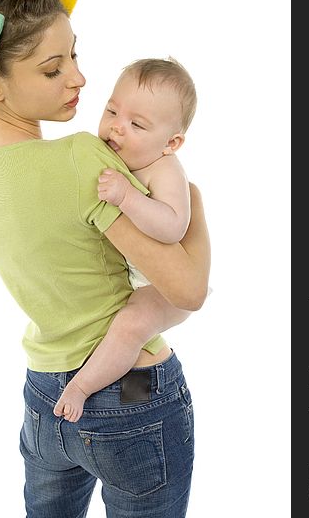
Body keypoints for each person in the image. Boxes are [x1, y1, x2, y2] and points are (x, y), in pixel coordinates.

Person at [0, 0, 210, 518]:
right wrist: (194, 201)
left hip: (44, 399)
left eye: (74, 55)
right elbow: (187, 290)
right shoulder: (84, 161)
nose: (79, 77)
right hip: (130, 398)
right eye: (53, 69)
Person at [53, 57, 201, 423]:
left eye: (136, 124)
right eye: (112, 111)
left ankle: (82, 388)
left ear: (172, 142)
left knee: (130, 324)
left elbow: (173, 227)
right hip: (131, 273)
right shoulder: (111, 155)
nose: (117, 128)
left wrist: (128, 198)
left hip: (161, 286)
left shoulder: (163, 169)